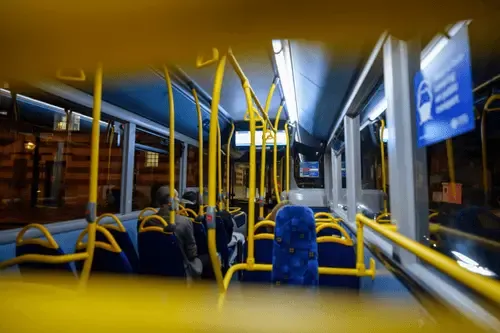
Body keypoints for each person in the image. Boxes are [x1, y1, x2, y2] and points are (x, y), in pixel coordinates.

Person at [153, 186, 208, 279]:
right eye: (177, 198)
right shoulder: (184, 222)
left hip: (153, 269)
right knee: (208, 258)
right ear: (172, 202)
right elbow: (192, 253)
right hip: (180, 271)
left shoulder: (145, 222)